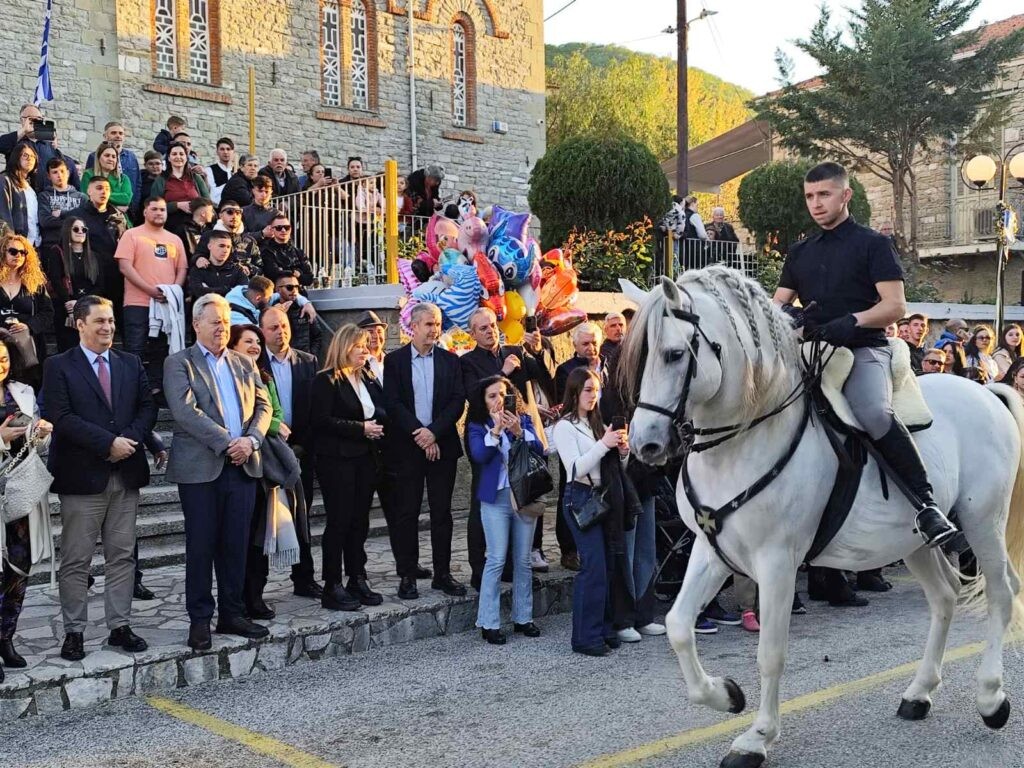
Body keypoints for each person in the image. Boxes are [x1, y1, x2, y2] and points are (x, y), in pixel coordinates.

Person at [773, 161, 957, 552]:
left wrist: (853, 321)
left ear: (846, 195)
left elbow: (895, 306)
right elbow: (777, 305)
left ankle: (926, 505)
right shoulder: (799, 252)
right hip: (813, 350)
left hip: (863, 350)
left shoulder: (872, 243)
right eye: (810, 196)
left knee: (874, 413)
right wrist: (785, 315)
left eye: (824, 194)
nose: (816, 203)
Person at [44, 295, 157, 662]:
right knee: (76, 559)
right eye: (100, 321)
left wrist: (130, 441)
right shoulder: (58, 365)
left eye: (110, 321)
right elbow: (61, 416)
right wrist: (108, 443)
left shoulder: (129, 362)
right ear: (80, 324)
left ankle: (119, 626)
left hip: (125, 475)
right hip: (82, 477)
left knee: (122, 557)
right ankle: (74, 631)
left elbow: (147, 407)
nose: (108, 327)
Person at [163, 292, 273, 649]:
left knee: (235, 544)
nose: (222, 329)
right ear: (196, 325)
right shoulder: (180, 363)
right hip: (201, 469)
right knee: (202, 546)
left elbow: (263, 404)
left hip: (243, 465)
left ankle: (233, 612)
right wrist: (229, 442)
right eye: (215, 322)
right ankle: (199, 619)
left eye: (226, 323)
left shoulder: (244, 362)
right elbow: (184, 412)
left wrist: (252, 441)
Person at [460, 307, 553, 588]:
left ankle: (519, 564)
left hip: (517, 430)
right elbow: (473, 395)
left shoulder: (515, 350)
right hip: (485, 434)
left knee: (523, 493)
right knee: (484, 499)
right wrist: (503, 372)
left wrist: (537, 352)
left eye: (492, 325)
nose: (490, 331)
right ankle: (479, 569)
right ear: (473, 334)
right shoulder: (468, 361)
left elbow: (548, 379)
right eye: (483, 328)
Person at [383, 302, 467, 600]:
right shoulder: (394, 361)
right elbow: (392, 403)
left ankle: (442, 574)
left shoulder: (450, 361)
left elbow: (457, 401)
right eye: (429, 324)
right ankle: (407, 574)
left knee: (442, 512)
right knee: (407, 512)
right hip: (407, 448)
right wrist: (420, 434)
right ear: (413, 326)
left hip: (442, 446)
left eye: (438, 323)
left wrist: (434, 433)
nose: (435, 329)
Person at [551, 367, 629, 656]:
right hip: (580, 497)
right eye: (587, 390)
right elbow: (574, 468)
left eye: (595, 390)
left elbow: (612, 469)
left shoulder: (597, 424)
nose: (593, 396)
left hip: (602, 495)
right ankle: (585, 637)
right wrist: (603, 444)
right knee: (593, 567)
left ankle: (604, 629)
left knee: (607, 565)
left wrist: (621, 451)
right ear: (574, 391)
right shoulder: (564, 427)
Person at [311, 324, 388, 610]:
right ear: (344, 347)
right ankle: (333, 584)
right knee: (339, 522)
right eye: (359, 346)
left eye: (367, 345)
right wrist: (361, 429)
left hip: (366, 460)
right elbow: (320, 421)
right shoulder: (326, 380)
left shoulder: (366, 377)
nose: (365, 351)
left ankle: (357, 576)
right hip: (337, 461)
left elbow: (379, 409)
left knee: (360, 522)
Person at [467, 375, 544, 645]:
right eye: (492, 396)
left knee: (522, 559)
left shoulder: (522, 420)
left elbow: (540, 449)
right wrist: (496, 431)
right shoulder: (477, 425)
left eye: (502, 394)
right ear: (483, 401)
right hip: (495, 498)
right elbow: (479, 455)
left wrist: (518, 433)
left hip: (523, 496)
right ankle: (489, 621)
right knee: (497, 558)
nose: (499, 400)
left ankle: (524, 618)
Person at [0, 329, 53, 679]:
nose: (0, 365)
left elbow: (38, 447)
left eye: (4, 358)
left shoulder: (22, 392)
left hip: (21, 491)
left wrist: (41, 435)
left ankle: (6, 638)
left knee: (19, 568)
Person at [258, 307, 321, 600]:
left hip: (301, 452)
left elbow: (317, 408)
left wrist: (304, 446)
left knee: (302, 515)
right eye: (273, 328)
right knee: (262, 520)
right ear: (262, 331)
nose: (280, 332)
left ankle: (304, 578)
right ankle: (257, 585)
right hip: (266, 453)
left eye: (283, 326)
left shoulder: (308, 362)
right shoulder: (252, 363)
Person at [115, 197, 188, 401]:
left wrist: (173, 290)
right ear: (145, 212)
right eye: (154, 209)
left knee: (160, 349)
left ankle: (156, 388)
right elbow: (125, 267)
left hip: (166, 304)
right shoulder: (131, 235)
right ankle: (132, 389)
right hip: (137, 303)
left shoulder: (175, 239)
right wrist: (149, 290)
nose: (159, 213)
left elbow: (182, 269)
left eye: (163, 209)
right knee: (135, 348)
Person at [553, 322, 606, 572]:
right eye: (585, 343)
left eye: (594, 342)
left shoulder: (609, 365)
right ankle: (569, 549)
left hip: (599, 429)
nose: (590, 347)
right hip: (577, 440)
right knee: (572, 490)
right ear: (574, 345)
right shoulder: (567, 371)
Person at [0, 233, 54, 388]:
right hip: (0, 345)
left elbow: (47, 312)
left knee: (28, 386)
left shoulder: (35, 283)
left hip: (26, 345)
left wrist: (29, 326)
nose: (18, 255)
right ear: (3, 252)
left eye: (23, 253)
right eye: (13, 251)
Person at [43, 216, 103, 351]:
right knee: (67, 348)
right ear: (67, 231)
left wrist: (81, 302)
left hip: (89, 309)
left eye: (84, 229)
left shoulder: (94, 256)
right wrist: (70, 303)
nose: (81, 232)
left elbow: (100, 285)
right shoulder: (57, 252)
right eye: (76, 229)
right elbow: (56, 280)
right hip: (65, 308)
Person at [0, 104, 80, 191]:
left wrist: (55, 148)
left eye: (39, 119)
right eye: (31, 119)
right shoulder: (15, 142)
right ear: (22, 120)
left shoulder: (48, 145)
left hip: (46, 197)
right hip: (21, 193)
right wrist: (23, 131)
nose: (35, 122)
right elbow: (2, 146)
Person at [75, 176, 127, 309]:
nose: (103, 192)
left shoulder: (118, 217)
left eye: (107, 189)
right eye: (99, 188)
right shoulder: (76, 216)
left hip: (114, 275)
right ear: (89, 191)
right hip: (88, 274)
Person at [149, 142, 211, 232]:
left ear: (186, 157)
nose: (178, 157)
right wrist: (177, 205)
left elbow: (207, 202)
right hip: (171, 226)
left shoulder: (195, 177)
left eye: (181, 154)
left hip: (196, 226)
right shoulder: (161, 179)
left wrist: (195, 207)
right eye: (174, 154)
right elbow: (154, 206)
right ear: (169, 158)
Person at [192, 199, 262, 276]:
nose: (234, 216)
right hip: (216, 281)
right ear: (220, 215)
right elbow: (196, 256)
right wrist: (198, 259)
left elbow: (260, 267)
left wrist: (249, 268)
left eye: (238, 212)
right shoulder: (209, 236)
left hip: (243, 284)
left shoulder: (249, 240)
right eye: (229, 212)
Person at [85, 122, 141, 212]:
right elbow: (89, 190)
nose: (118, 136)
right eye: (113, 133)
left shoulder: (131, 157)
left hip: (129, 210)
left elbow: (137, 184)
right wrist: (113, 206)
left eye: (121, 133)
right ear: (105, 136)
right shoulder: (94, 157)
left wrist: (133, 206)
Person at [38, 158, 86, 250]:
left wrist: (61, 214)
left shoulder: (81, 197)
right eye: (55, 172)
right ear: (49, 176)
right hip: (51, 245)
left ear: (68, 173)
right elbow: (45, 221)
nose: (59, 175)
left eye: (62, 171)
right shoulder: (44, 196)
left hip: (76, 246)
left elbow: (86, 219)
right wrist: (75, 222)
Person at [187, 230, 247, 300]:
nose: (225, 250)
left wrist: (208, 290)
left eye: (228, 247)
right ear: (209, 246)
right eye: (221, 246)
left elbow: (244, 292)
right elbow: (198, 291)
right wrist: (229, 289)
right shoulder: (198, 269)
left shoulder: (237, 270)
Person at [0, 142, 41, 245]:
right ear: (16, 157)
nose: (29, 159)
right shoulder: (5, 180)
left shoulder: (31, 187)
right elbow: (4, 213)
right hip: (14, 244)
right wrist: (10, 240)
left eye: (32, 156)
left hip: (32, 244)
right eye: (25, 155)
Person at [80, 142, 133, 217]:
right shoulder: (89, 175)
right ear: (99, 157)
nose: (111, 159)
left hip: (118, 220)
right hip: (94, 216)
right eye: (107, 155)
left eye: (114, 157)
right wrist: (115, 206)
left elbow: (126, 198)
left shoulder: (123, 178)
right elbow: (86, 198)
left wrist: (98, 195)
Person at [274, 275, 322, 357]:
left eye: (297, 287)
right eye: (289, 287)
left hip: (303, 360)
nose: (294, 291)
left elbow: (317, 335)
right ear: (278, 289)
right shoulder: (272, 310)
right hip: (280, 360)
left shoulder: (305, 309)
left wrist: (311, 355)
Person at [260, 214, 313, 286]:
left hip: (299, 293)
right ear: (272, 230)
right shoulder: (266, 251)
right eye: (279, 228)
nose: (283, 230)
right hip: (277, 293)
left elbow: (309, 279)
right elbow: (273, 274)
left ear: (290, 229)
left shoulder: (299, 252)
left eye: (287, 227)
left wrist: (284, 270)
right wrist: (297, 272)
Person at [205, 137, 236, 206]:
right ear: (217, 152)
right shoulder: (209, 170)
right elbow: (212, 194)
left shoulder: (237, 172)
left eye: (228, 149)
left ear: (233, 152)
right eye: (222, 149)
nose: (225, 152)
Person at [358, 309, 387, 381]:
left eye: (379, 331)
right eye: (370, 332)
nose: (376, 336)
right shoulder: (357, 365)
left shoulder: (392, 361)